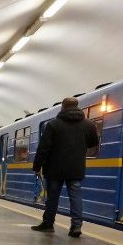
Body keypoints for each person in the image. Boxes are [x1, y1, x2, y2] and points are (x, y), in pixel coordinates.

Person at [31, 97, 99, 237]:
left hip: (54, 168)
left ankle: (48, 224)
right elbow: (93, 143)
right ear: (77, 106)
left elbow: (43, 148)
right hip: (76, 167)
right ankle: (76, 226)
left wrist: (37, 166)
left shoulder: (53, 125)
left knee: (53, 197)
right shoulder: (88, 124)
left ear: (62, 107)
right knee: (75, 196)